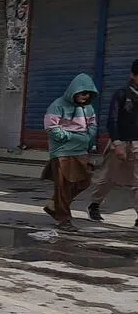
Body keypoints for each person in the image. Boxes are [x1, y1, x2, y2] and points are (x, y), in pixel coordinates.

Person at [43, 74, 98, 231]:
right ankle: (63, 219)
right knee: (63, 185)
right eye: (82, 93)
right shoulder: (57, 105)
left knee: (84, 181)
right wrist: (67, 136)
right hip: (62, 151)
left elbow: (93, 123)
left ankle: (55, 205)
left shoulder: (88, 107)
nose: (85, 96)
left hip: (80, 150)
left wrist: (88, 136)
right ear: (74, 91)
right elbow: (51, 127)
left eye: (88, 94)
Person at [87, 59, 138, 228]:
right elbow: (112, 120)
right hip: (121, 140)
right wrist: (117, 143)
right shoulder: (122, 94)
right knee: (108, 177)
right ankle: (95, 204)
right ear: (133, 75)